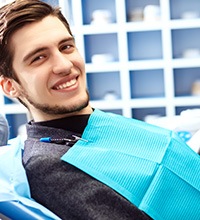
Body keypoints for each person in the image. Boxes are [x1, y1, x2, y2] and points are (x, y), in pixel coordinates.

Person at [0, 1, 199, 220]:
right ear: (10, 86)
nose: (65, 65)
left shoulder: (95, 123)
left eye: (66, 47)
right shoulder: (51, 166)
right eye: (39, 58)